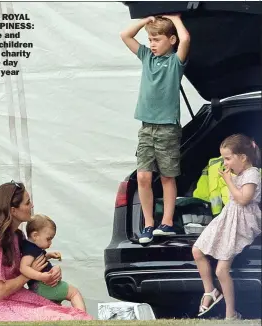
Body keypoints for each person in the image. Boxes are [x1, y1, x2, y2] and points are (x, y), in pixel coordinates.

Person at [0, 181, 93, 321]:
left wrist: (49, 271)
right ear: (13, 210)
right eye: (27, 202)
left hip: (22, 298)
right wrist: (29, 275)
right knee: (68, 319)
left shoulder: (18, 236)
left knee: (76, 317)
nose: (32, 205)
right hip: (2, 308)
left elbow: (29, 265)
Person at [120, 15, 190, 244]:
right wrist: (145, 21)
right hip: (146, 127)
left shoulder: (175, 62)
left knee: (168, 177)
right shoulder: (147, 57)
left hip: (167, 128)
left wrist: (175, 19)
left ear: (171, 40)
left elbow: (186, 38)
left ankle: (167, 222)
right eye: (149, 39)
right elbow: (125, 35)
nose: (151, 44)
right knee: (143, 176)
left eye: (157, 39)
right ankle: (148, 224)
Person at [192, 134, 261, 320]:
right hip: (228, 217)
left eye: (228, 158)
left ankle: (231, 314)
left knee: (221, 270)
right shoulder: (238, 173)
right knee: (197, 250)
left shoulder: (252, 173)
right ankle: (210, 291)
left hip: (243, 222)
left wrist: (228, 180)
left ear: (243, 157)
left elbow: (244, 199)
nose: (225, 162)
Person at [20, 214, 86, 311]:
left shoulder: (32, 248)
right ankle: (83, 317)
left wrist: (49, 255)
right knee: (74, 293)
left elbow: (35, 260)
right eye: (48, 239)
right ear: (35, 235)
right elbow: (23, 268)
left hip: (41, 286)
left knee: (55, 309)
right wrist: (40, 276)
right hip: (42, 286)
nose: (50, 243)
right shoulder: (30, 250)